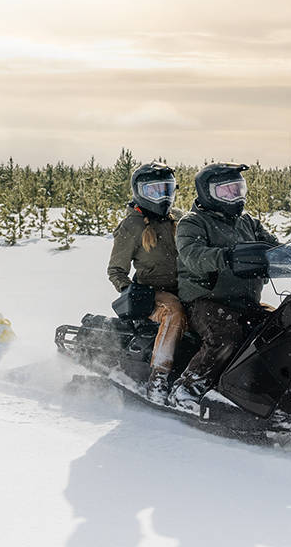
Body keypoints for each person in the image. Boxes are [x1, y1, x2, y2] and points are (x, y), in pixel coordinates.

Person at [167, 162, 281, 412]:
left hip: (245, 301)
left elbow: (275, 247)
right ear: (207, 193)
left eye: (238, 189)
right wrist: (228, 258)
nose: (234, 197)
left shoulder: (248, 222)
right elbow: (193, 256)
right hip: (206, 300)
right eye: (226, 191)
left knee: (282, 329)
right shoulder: (193, 222)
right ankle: (187, 387)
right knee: (225, 336)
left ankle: (262, 390)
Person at [107, 162, 188, 403]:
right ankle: (159, 377)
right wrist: (131, 292)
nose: (162, 196)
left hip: (185, 287)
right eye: (154, 191)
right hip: (151, 292)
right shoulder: (131, 226)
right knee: (173, 312)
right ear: (140, 192)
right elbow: (116, 269)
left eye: (167, 189)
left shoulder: (180, 219)